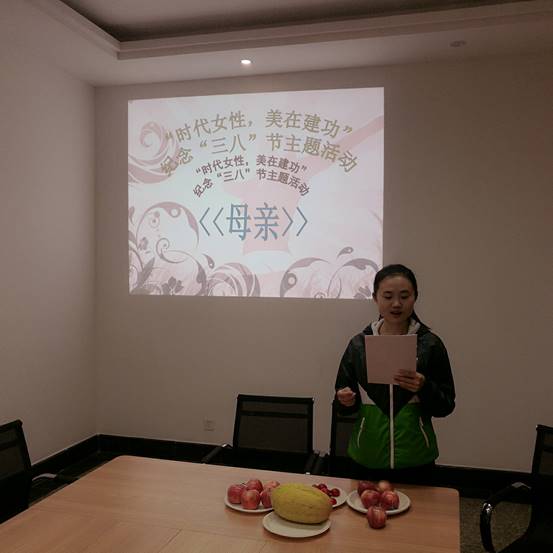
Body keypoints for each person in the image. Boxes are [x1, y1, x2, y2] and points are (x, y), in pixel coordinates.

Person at [335, 264, 455, 484]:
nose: (397, 304)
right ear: (375, 298)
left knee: (420, 508)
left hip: (416, 459)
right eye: (388, 296)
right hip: (366, 457)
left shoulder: (430, 345)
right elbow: (342, 404)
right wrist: (344, 399)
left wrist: (424, 387)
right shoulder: (358, 345)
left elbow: (446, 405)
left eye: (404, 296)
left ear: (415, 297)